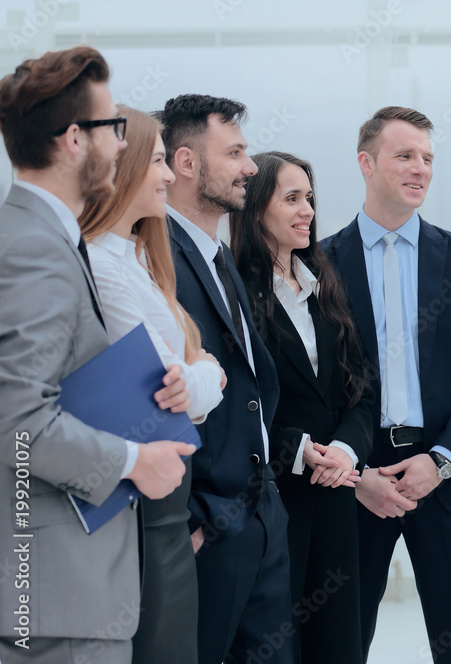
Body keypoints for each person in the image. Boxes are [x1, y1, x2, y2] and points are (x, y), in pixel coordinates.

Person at [0, 46, 194, 664]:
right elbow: (19, 424)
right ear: (73, 140)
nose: (122, 143)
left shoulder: (43, 238)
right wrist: (136, 460)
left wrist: (147, 389)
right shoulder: (34, 248)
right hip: (57, 594)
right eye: (113, 127)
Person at [320, 106, 451, 663]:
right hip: (355, 480)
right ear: (366, 163)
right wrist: (355, 475)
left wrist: (444, 458)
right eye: (404, 155)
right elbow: (315, 385)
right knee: (340, 643)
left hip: (446, 478)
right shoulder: (322, 263)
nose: (419, 168)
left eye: (427, 158)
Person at [78, 105, 227, 664]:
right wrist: (207, 372)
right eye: (160, 161)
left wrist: (202, 376)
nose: (168, 176)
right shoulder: (101, 266)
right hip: (143, 498)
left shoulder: (137, 260)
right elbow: (174, 384)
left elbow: (193, 384)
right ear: (125, 165)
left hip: (168, 495)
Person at [158, 94, 293, 664]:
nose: (250, 167)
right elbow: (155, 391)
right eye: (234, 152)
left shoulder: (220, 256)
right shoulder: (155, 257)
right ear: (187, 163)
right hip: (207, 524)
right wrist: (190, 519)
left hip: (260, 514)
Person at [230, 150, 375, 664]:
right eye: (291, 198)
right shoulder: (235, 293)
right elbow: (235, 403)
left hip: (335, 493)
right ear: (253, 209)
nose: (307, 210)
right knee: (275, 645)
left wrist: (345, 449)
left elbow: (361, 386)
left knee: (338, 644)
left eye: (309, 198)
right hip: (274, 497)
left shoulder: (324, 284)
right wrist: (299, 450)